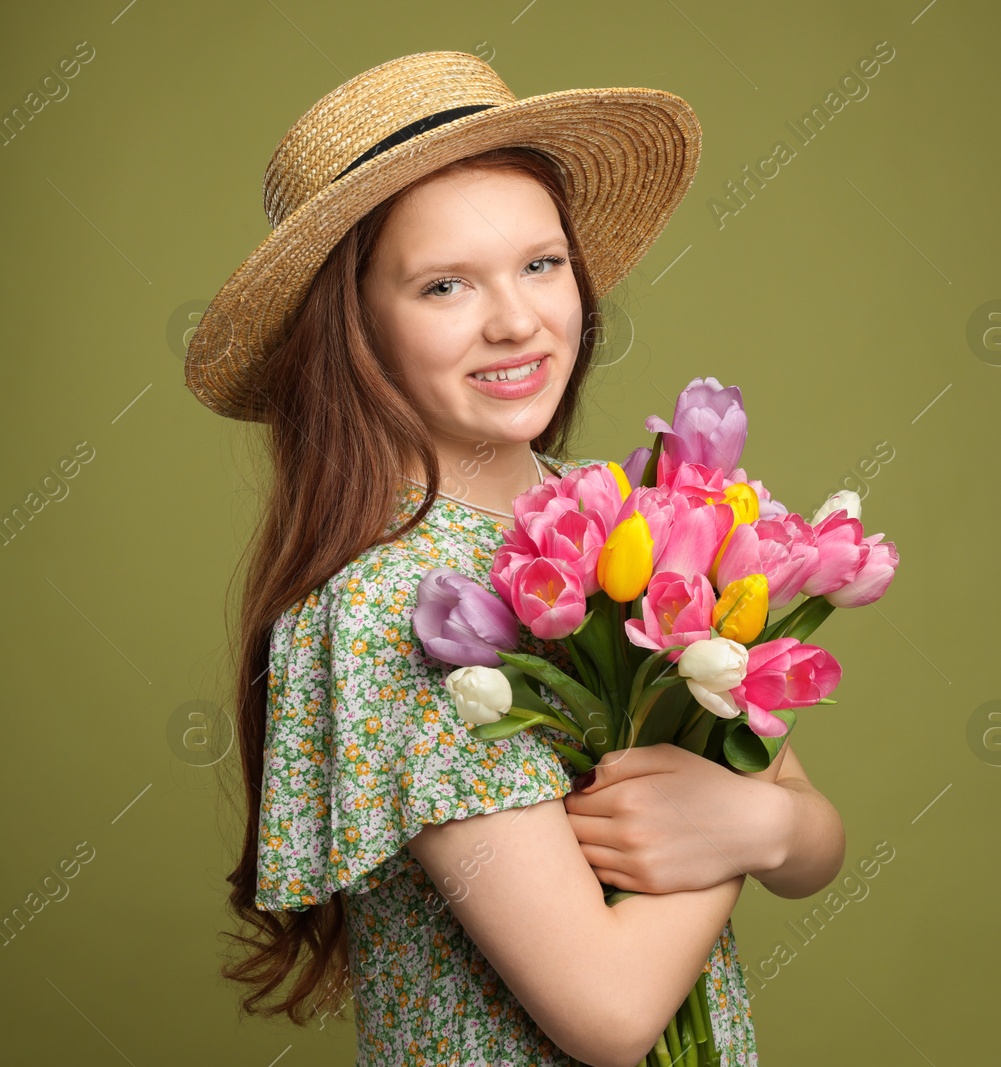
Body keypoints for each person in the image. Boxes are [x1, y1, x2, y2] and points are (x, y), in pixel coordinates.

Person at [187, 52, 846, 1067]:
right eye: (444, 283)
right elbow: (613, 1011)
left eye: (540, 264)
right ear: (353, 324)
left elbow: (812, 837)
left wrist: (759, 824)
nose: (515, 320)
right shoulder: (398, 601)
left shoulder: (629, 518)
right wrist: (733, 831)